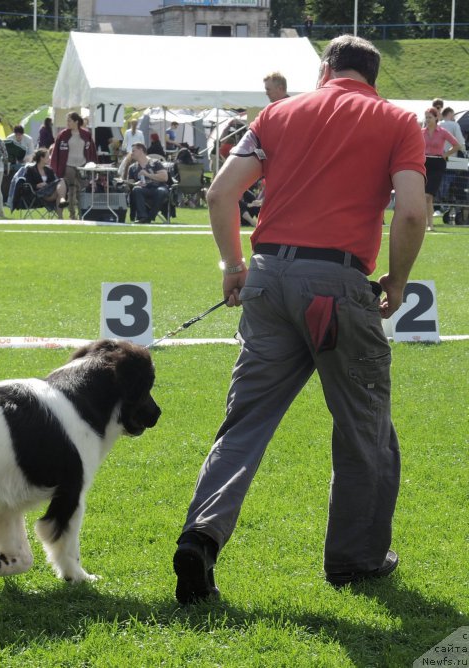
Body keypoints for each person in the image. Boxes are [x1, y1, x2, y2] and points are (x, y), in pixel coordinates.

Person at [173, 35, 426, 604]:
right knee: (365, 427)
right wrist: (399, 278)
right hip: (337, 285)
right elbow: (411, 210)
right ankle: (355, 561)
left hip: (266, 277)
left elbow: (220, 194)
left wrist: (232, 265)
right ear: (374, 76)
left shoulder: (278, 113)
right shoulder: (397, 121)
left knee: (244, 425)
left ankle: (201, 538)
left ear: (324, 69)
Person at [50, 112, 97, 220]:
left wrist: (93, 163)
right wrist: (56, 165)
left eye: (69, 121)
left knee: (82, 190)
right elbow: (56, 151)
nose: (67, 123)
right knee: (72, 190)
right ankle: (72, 215)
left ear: (76, 122)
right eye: (67, 121)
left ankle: (82, 214)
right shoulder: (63, 134)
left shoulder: (86, 134)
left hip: (83, 166)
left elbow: (92, 150)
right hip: (68, 165)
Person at [421, 107, 459, 230]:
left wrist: (445, 154)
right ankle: (425, 224)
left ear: (436, 118)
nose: (427, 120)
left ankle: (429, 225)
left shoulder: (442, 132)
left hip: (437, 164)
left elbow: (456, 145)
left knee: (428, 195)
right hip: (424, 163)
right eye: (426, 117)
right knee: (423, 196)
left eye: (429, 117)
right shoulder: (421, 132)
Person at [127, 142, 169, 224]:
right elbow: (131, 182)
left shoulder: (155, 163)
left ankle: (149, 217)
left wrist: (147, 174)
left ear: (141, 150)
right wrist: (135, 184)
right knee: (136, 189)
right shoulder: (133, 168)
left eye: (133, 151)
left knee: (161, 191)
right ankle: (142, 217)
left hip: (158, 187)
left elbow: (164, 177)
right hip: (144, 189)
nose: (131, 153)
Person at [25, 147, 68, 219]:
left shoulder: (49, 170)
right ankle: (62, 200)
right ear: (41, 158)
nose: (50, 158)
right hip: (39, 194)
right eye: (48, 157)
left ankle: (60, 217)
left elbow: (54, 183)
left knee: (61, 181)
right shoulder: (31, 170)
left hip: (49, 192)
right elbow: (27, 184)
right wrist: (37, 185)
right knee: (61, 182)